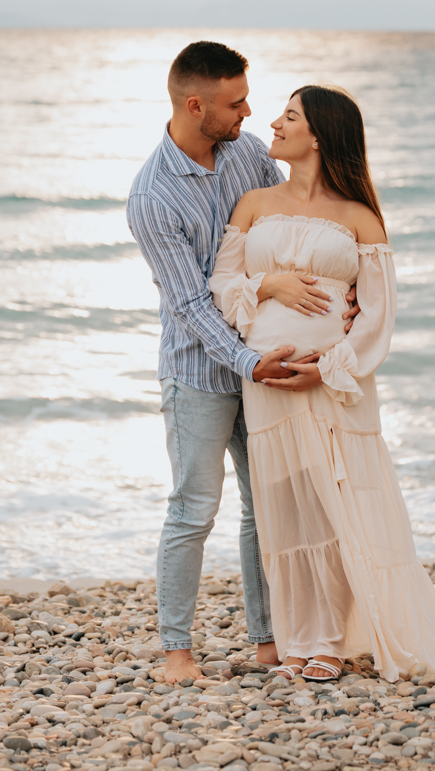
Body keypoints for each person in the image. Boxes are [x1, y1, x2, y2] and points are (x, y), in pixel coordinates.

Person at [209, 85, 435, 682]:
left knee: (339, 508)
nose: (274, 123)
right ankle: (300, 642)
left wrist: (327, 367)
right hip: (269, 381)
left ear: (320, 135)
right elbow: (222, 288)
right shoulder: (252, 205)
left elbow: (378, 315)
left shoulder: (359, 217)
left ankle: (333, 643)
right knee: (286, 513)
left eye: (290, 116)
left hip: (334, 385)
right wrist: (268, 288)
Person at [126, 43, 359, 684]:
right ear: (195, 105)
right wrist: (249, 357)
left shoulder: (248, 153)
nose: (249, 111)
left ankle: (268, 643)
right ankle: (177, 652)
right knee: (193, 510)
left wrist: (344, 287)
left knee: (267, 509)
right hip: (202, 374)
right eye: (234, 103)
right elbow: (192, 304)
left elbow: (286, 228)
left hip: (264, 371)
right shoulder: (153, 197)